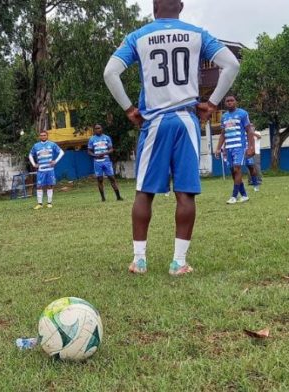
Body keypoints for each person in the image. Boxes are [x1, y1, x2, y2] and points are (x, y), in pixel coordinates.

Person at [103, 0, 240, 276]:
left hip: (154, 122)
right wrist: (212, 104)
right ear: (181, 6)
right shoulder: (197, 34)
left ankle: (139, 260)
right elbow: (231, 65)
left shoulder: (137, 37)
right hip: (186, 119)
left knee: (145, 191)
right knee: (185, 192)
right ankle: (179, 262)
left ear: (154, 8)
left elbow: (110, 72)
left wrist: (130, 109)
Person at [215, 95, 255, 204]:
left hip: (240, 147)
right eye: (227, 101)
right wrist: (218, 148)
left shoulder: (242, 113)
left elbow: (249, 131)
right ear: (225, 103)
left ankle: (233, 196)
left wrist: (251, 147)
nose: (229, 102)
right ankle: (244, 195)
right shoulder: (224, 117)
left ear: (235, 102)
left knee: (237, 169)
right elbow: (223, 134)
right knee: (233, 172)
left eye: (231, 100)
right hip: (229, 148)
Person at [29, 130, 64, 209]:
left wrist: (55, 161)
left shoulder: (52, 144)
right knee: (39, 186)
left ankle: (49, 203)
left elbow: (61, 152)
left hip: (50, 169)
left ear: (47, 136)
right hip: (41, 170)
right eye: (41, 135)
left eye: (44, 135)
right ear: (39, 136)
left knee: (50, 185)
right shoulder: (36, 146)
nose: (43, 136)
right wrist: (34, 164)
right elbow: (30, 155)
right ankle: (40, 204)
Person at [87, 124, 124, 202]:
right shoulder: (91, 139)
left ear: (102, 128)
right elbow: (89, 151)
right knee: (100, 180)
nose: (97, 129)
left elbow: (111, 149)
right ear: (94, 130)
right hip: (97, 162)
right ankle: (103, 198)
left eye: (99, 128)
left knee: (112, 178)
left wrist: (104, 153)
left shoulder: (107, 138)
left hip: (107, 161)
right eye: (96, 128)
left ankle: (118, 197)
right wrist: (95, 155)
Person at [246, 125, 262, 192]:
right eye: (250, 126)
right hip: (248, 152)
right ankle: (250, 181)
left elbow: (259, 137)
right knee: (249, 167)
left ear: (255, 127)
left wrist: (252, 132)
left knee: (256, 166)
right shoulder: (247, 134)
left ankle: (259, 180)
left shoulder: (257, 132)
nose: (251, 127)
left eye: (252, 126)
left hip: (256, 152)